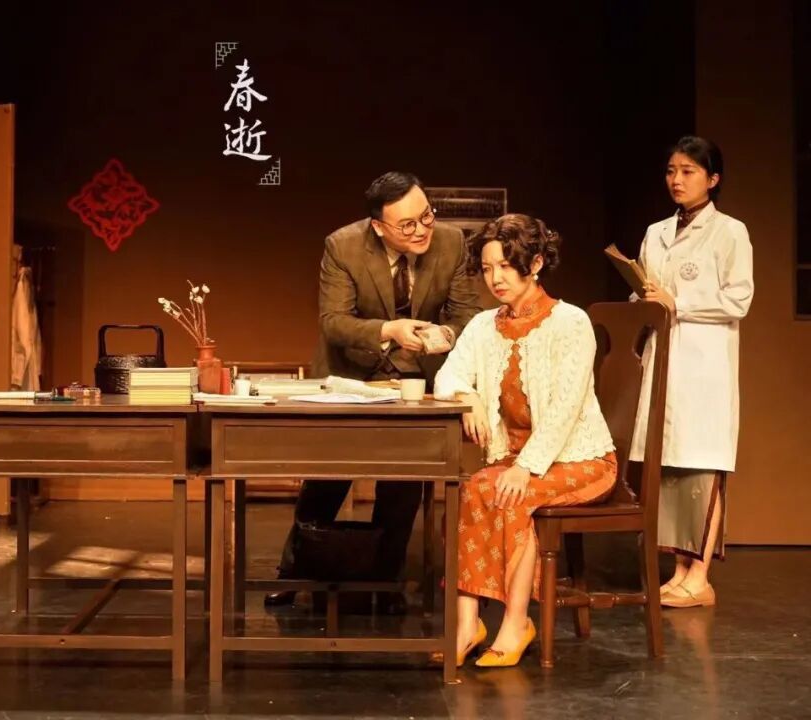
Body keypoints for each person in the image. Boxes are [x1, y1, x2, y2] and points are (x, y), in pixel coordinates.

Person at [264, 171, 482, 611]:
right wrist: (389, 330)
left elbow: (467, 315)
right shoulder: (343, 245)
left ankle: (386, 580)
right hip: (352, 374)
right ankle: (295, 570)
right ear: (379, 226)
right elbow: (334, 322)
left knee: (403, 483)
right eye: (407, 225)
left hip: (415, 378)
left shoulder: (452, 242)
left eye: (426, 216)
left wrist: (444, 335)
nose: (421, 230)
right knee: (326, 481)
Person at [433, 213, 617, 667]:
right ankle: (467, 625)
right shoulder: (483, 326)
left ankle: (516, 624)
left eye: (505, 266)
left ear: (534, 264)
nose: (495, 278)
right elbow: (447, 377)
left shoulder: (570, 323)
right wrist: (468, 397)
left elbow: (565, 409)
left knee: (511, 494)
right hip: (516, 460)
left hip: (581, 460)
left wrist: (525, 467)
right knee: (471, 489)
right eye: (487, 268)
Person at [632, 136, 753, 608]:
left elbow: (738, 299)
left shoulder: (730, 232)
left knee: (702, 466)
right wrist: (642, 298)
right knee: (670, 470)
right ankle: (680, 569)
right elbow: (651, 292)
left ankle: (700, 576)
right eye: (671, 171)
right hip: (664, 359)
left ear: (713, 179)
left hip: (704, 368)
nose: (676, 180)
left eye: (688, 171)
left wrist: (677, 303)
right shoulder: (656, 232)